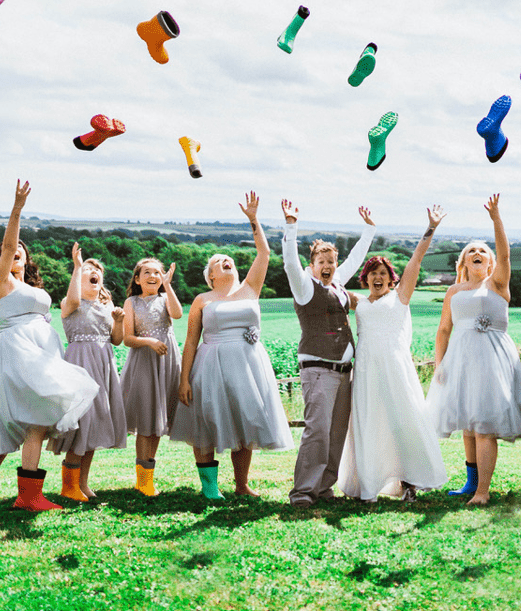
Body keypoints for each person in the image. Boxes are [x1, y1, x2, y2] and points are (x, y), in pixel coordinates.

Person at [0, 180, 97, 511]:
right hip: (18, 353)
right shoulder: (1, 281)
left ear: (27, 259)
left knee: (36, 421)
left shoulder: (29, 285)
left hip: (41, 353)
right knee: (37, 419)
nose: (14, 254)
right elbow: (10, 241)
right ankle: (29, 497)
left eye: (20, 253)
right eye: (8, 252)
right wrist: (17, 209)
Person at [170, 192, 292, 498]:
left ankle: (241, 485)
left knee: (245, 421)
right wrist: (184, 379)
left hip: (249, 365)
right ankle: (210, 488)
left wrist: (254, 220)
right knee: (206, 422)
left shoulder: (250, 289)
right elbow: (190, 341)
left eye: (230, 261)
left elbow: (263, 254)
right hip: (210, 365)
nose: (226, 262)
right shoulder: (202, 300)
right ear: (211, 276)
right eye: (218, 262)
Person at [426, 194, 521, 506]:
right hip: (460, 359)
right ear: (463, 262)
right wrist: (439, 365)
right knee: (467, 423)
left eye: (482, 251)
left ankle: (483, 491)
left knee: (484, 424)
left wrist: (496, 218)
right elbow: (444, 329)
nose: (477, 253)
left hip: (492, 359)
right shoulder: (453, 290)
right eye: (470, 250)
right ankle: (470, 484)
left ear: (489, 262)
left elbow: (506, 255)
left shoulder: (498, 284)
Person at [336, 206, 448, 502]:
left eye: (383, 273)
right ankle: (370, 483)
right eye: (373, 272)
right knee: (370, 423)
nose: (378, 277)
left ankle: (409, 482)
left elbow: (415, 261)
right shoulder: (357, 302)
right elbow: (330, 284)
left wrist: (430, 228)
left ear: (391, 279)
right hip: (366, 371)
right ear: (365, 277)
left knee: (403, 421)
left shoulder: (399, 299)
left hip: (396, 369)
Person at [279, 199, 376, 508]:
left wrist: (368, 231)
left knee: (336, 434)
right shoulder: (304, 287)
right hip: (318, 369)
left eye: (331, 262)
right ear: (312, 265)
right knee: (317, 432)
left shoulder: (337, 286)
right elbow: (290, 264)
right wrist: (291, 227)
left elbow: (355, 261)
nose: (328, 267)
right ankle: (303, 493)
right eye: (322, 262)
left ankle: (324, 488)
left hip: (344, 372)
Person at [48, 244, 128, 501]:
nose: (94, 272)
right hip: (80, 364)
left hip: (103, 366)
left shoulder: (107, 305)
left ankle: (82, 483)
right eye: (88, 270)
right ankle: (68, 485)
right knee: (80, 423)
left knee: (96, 422)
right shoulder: (70, 303)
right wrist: (76, 265)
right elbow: (72, 299)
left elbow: (117, 340)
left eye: (97, 271)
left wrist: (118, 321)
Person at [121, 257, 183, 496]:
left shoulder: (166, 298)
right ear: (137, 279)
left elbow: (177, 314)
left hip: (166, 361)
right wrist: (149, 342)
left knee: (158, 423)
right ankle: (142, 481)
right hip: (144, 361)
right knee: (146, 421)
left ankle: (148, 478)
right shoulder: (131, 302)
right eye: (147, 272)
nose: (153, 276)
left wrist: (168, 285)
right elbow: (127, 338)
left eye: (157, 272)